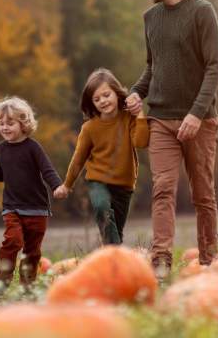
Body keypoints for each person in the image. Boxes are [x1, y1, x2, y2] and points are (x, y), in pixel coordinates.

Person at [127, 0, 218, 279]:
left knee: (202, 194)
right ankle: (162, 262)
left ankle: (210, 261)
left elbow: (214, 67)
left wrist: (196, 114)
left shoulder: (202, 12)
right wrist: (136, 92)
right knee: (163, 188)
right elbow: (153, 67)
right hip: (161, 121)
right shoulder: (150, 18)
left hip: (200, 122)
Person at [54, 68, 149, 245]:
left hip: (124, 185)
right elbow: (78, 160)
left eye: (106, 95)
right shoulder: (90, 128)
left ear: (117, 92)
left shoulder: (128, 118)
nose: (103, 101)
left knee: (116, 232)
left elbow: (141, 143)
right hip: (98, 182)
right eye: (96, 99)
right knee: (101, 208)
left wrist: (140, 115)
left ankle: (114, 260)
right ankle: (114, 253)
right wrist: (67, 185)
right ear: (91, 103)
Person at [0, 96, 62, 298]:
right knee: (12, 240)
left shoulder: (33, 148)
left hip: (37, 208)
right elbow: (2, 174)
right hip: (12, 207)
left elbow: (47, 170)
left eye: (10, 123)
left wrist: (57, 186)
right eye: (1, 123)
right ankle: (1, 282)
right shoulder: (1, 148)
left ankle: (27, 288)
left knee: (32, 252)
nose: (5, 127)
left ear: (24, 124)